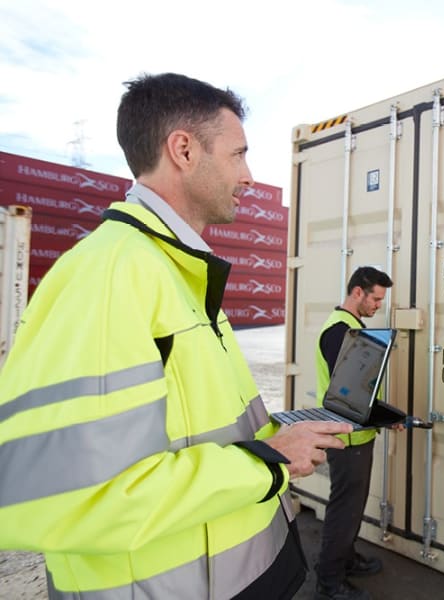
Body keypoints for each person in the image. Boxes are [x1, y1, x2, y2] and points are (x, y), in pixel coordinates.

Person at [0, 73, 353, 599]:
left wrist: (280, 435)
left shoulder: (173, 271)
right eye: (238, 154)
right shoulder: (110, 276)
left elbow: (194, 426)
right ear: (184, 150)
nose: (250, 176)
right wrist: (269, 460)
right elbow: (81, 496)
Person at [314, 266, 395, 600]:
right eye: (375, 298)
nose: (378, 305)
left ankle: (345, 559)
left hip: (356, 435)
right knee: (344, 511)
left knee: (352, 507)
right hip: (345, 438)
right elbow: (348, 393)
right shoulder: (339, 332)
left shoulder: (350, 329)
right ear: (357, 292)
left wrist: (388, 416)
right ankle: (329, 582)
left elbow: (360, 389)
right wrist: (387, 415)